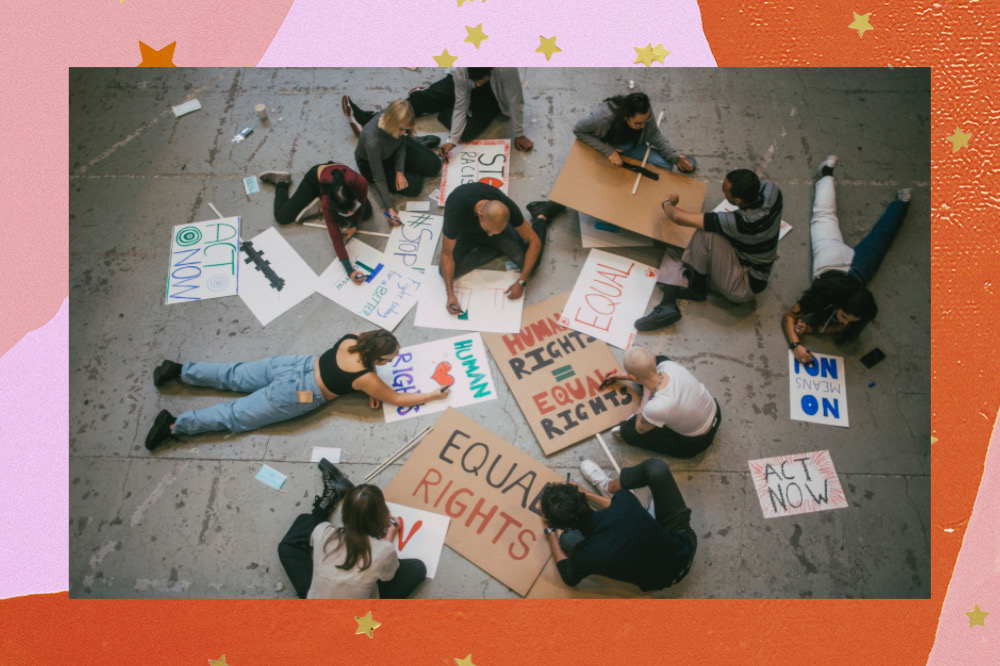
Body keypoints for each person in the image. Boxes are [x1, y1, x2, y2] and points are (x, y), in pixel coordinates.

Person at [144, 330, 450, 450]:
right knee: (237, 416)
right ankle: (174, 426)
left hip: (292, 365)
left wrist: (370, 382)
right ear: (375, 358)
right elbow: (395, 398)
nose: (392, 362)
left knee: (233, 374)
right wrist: (431, 395)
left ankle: (179, 371)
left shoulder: (353, 337)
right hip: (298, 394)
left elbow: (364, 372)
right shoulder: (366, 378)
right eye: (389, 358)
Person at [783, 156, 912, 365]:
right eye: (843, 316)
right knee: (826, 217)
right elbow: (789, 316)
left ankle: (901, 202)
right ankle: (827, 174)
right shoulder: (822, 294)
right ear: (838, 302)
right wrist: (795, 345)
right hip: (831, 260)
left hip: (856, 269)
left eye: (849, 320)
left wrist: (811, 328)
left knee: (870, 234)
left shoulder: (860, 307)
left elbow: (840, 326)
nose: (843, 322)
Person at [635, 168, 784, 331]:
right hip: (750, 259)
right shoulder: (772, 192)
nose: (722, 190)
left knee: (704, 235)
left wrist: (667, 203)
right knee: (682, 245)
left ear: (739, 199)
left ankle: (696, 290)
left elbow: (677, 216)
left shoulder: (742, 222)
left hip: (743, 284)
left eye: (725, 191)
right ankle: (668, 303)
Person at [539, 458, 697, 592]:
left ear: (563, 524)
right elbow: (616, 504)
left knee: (566, 540)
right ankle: (611, 489)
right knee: (656, 468)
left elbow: (569, 578)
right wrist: (584, 493)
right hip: (684, 544)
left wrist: (551, 531)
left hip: (659, 581)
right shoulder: (624, 500)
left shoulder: (585, 556)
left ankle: (608, 488)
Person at [278, 461, 426, 599]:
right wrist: (389, 537)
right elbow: (388, 576)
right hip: (356, 619)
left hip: (318, 604)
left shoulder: (322, 532)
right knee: (418, 568)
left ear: (344, 514)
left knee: (300, 529)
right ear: (382, 518)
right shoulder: (384, 551)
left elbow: (315, 524)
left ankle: (330, 499)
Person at [343, 67, 533, 161]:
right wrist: (451, 140)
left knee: (466, 134)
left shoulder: (505, 69)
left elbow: (516, 102)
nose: (477, 84)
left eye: (480, 81)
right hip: (461, 85)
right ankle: (372, 120)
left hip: (492, 96)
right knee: (422, 100)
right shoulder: (462, 70)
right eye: (474, 81)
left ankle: (437, 102)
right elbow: (461, 105)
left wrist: (519, 134)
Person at [439, 182, 565, 315]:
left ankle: (541, 216)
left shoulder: (507, 207)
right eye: (488, 231)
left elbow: (534, 242)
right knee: (445, 272)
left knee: (530, 265)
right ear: (480, 214)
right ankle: (496, 248)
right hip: (466, 232)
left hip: (499, 231)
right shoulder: (456, 209)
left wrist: (522, 281)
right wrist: (450, 295)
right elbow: (446, 254)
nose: (490, 235)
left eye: (494, 232)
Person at [258, 163, 371, 285]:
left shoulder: (360, 182)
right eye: (346, 212)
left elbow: (363, 203)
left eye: (352, 207)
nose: (351, 212)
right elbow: (336, 237)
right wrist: (350, 270)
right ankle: (281, 182)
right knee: (282, 216)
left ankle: (316, 204)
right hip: (316, 178)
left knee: (367, 213)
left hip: (336, 178)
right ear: (333, 206)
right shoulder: (328, 202)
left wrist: (354, 226)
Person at [601, 346, 720, 458]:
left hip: (696, 441)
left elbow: (640, 428)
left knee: (628, 432)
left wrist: (645, 397)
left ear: (634, 378)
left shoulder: (655, 407)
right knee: (661, 359)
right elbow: (654, 369)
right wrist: (627, 376)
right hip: (715, 410)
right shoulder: (669, 366)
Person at [352, 99, 443, 225]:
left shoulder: (396, 126)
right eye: (402, 129)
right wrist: (389, 209)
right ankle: (418, 146)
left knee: (435, 165)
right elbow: (379, 178)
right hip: (372, 164)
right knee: (414, 187)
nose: (404, 132)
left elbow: (401, 143)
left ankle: (416, 146)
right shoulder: (373, 141)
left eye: (406, 129)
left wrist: (399, 172)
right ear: (390, 122)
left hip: (392, 150)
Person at [573, 91, 695, 173]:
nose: (643, 126)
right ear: (626, 116)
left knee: (667, 166)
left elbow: (654, 135)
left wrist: (674, 156)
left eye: (645, 122)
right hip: (607, 144)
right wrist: (608, 150)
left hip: (631, 146)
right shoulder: (603, 116)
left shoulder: (644, 112)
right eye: (638, 123)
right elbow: (578, 130)